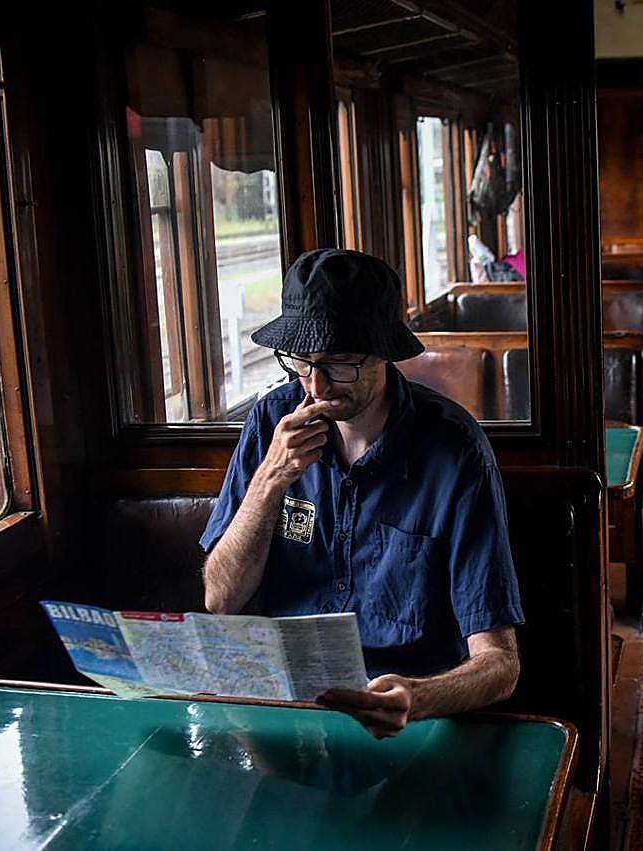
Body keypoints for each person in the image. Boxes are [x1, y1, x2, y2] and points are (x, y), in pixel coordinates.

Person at [199, 248, 524, 739]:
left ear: (384, 353)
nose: (317, 384)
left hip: (406, 718)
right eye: (302, 362)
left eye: (340, 363)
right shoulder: (270, 422)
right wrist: (270, 480)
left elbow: (500, 662)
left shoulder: (454, 450)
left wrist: (418, 698)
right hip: (282, 709)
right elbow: (220, 599)